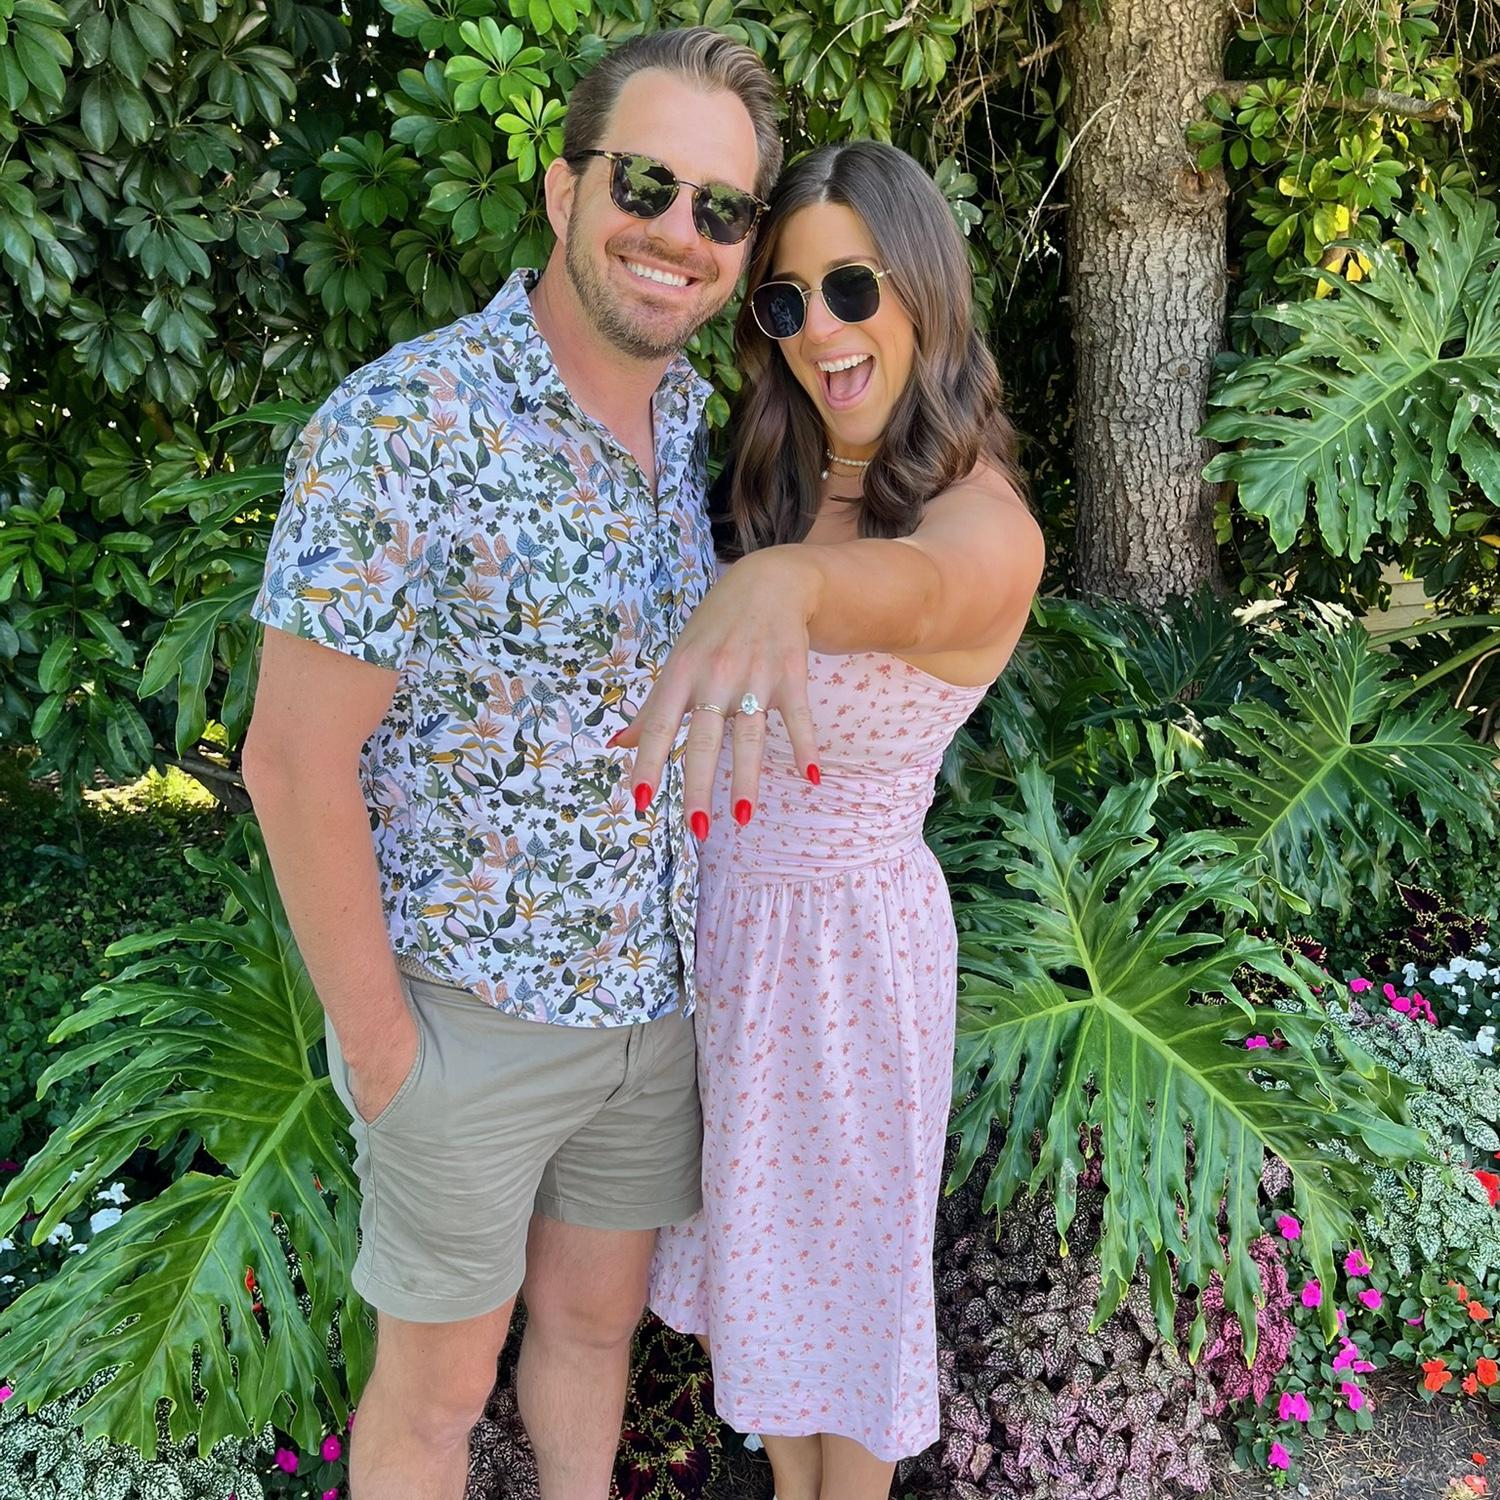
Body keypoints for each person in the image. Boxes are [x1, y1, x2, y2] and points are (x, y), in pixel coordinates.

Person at [239, 29, 781, 1500]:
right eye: (646, 184)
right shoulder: (407, 424)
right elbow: (291, 761)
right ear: (562, 188)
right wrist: (385, 1054)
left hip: (651, 1008)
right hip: (464, 1020)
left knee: (594, 1336)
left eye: (720, 208)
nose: (677, 232)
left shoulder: (692, 423)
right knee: (435, 1396)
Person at [622, 141, 1045, 1500]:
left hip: (850, 962)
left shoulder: (984, 523)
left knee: (846, 1321)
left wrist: (787, 585)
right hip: (732, 945)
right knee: (770, 1318)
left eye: (852, 287)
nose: (820, 331)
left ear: (924, 288)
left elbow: (916, 592)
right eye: (787, 301)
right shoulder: (790, 478)